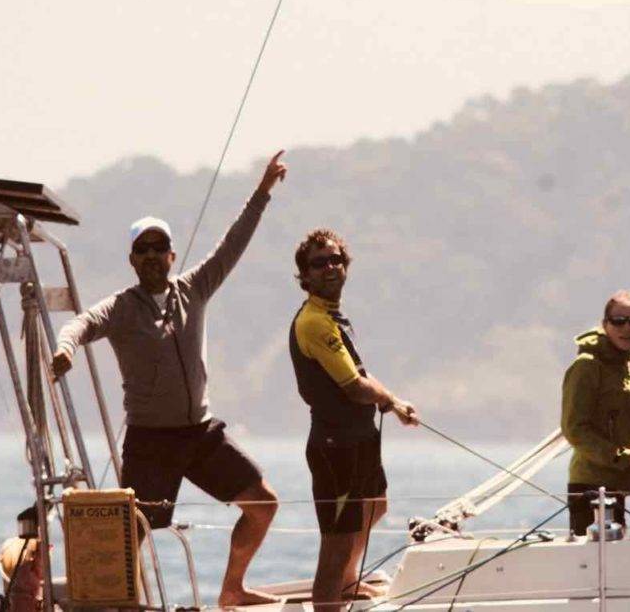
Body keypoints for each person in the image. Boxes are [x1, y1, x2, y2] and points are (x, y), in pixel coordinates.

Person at [51, 152, 287, 607]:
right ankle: (105, 601)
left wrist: (261, 193)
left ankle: (232, 591)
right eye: (144, 249)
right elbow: (79, 323)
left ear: (172, 255)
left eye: (161, 248)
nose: (154, 256)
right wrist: (66, 349)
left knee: (263, 504)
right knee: (128, 536)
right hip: (150, 441)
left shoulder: (194, 288)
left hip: (200, 434)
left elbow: (231, 246)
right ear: (132, 259)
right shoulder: (121, 308)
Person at [288, 229, 419, 609]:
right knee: (337, 542)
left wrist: (393, 404)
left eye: (335, 260)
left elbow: (360, 373)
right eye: (319, 263)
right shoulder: (314, 322)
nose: (329, 267)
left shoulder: (333, 316)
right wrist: (388, 400)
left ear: (346, 266)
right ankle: (332, 594)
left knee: (376, 505)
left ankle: (347, 583)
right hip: (335, 448)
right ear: (305, 276)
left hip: (360, 439)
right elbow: (354, 387)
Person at [560, 289, 630, 536]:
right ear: (604, 324)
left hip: (616, 485)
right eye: (618, 321)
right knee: (592, 565)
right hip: (590, 486)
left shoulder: (623, 367)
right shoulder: (587, 366)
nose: (627, 328)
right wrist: (621, 456)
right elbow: (574, 429)